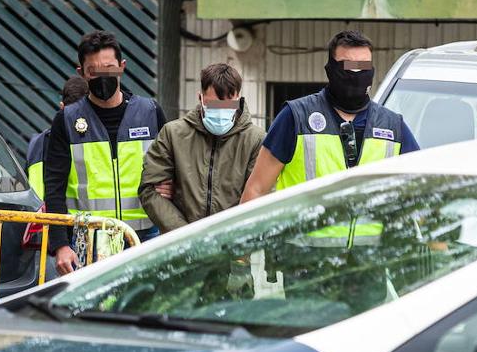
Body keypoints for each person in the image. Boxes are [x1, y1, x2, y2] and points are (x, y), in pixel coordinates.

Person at [240, 30, 418, 204]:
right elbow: (256, 189)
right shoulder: (296, 117)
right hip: (305, 233)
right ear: (330, 70)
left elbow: (423, 189)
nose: (356, 75)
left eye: (363, 67)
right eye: (348, 66)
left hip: (372, 235)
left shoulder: (394, 127)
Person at [42, 30, 166, 275]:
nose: (102, 77)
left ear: (122, 67)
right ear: (81, 73)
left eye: (108, 68)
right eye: (93, 71)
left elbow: (172, 167)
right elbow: (54, 187)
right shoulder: (67, 120)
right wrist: (60, 245)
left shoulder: (150, 112)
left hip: (145, 238)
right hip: (88, 243)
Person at [140, 63, 264, 233]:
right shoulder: (173, 134)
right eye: (213, 104)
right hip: (181, 246)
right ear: (200, 98)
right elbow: (150, 190)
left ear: (239, 99)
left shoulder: (256, 140)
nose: (221, 111)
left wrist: (226, 242)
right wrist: (187, 237)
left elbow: (258, 196)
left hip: (232, 249)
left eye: (227, 105)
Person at [25, 75, 89, 199]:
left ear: (61, 106)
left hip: (37, 215)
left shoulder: (37, 143)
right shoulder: (95, 143)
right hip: (72, 216)